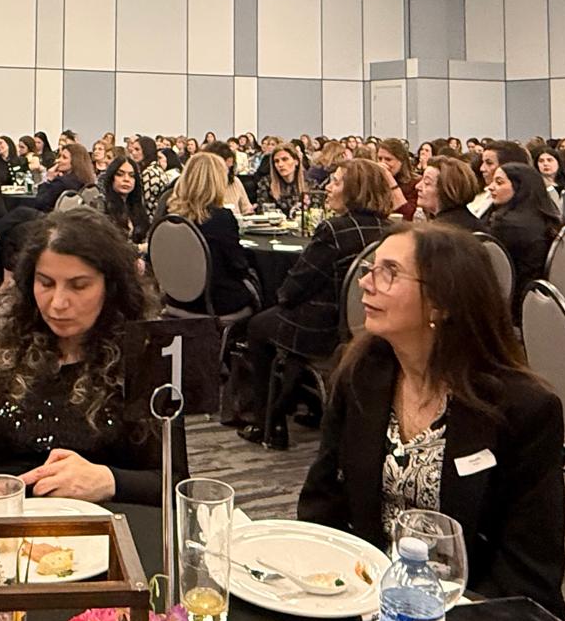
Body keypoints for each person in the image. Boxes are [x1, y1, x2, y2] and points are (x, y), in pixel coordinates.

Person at [297, 224, 565, 619]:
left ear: (442, 302)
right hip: (364, 601)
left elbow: (528, 573)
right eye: (371, 269)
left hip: (472, 614)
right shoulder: (362, 372)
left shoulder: (522, 409)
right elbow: (322, 502)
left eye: (389, 272)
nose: (365, 283)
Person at [0, 209, 185, 504]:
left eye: (79, 286)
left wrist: (111, 480)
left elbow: (175, 482)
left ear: (111, 287)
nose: (58, 303)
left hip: (107, 521)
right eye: (46, 283)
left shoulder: (145, 361)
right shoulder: (0, 352)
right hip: (6, 520)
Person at [239, 160, 395, 446]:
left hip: (323, 331)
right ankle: (305, 401)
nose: (328, 188)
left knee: (258, 326)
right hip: (370, 327)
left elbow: (295, 286)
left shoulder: (333, 230)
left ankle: (268, 423)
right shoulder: (392, 232)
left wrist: (281, 297)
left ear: (353, 190)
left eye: (335, 182)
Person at [157, 152, 257, 315]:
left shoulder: (169, 215)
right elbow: (238, 267)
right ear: (218, 181)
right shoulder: (221, 218)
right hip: (215, 304)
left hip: (175, 300)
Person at [486, 163, 560, 319]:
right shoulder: (546, 217)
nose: (490, 187)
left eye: (499, 182)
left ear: (520, 188)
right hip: (542, 297)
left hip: (515, 303)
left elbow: (494, 271)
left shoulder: (507, 225)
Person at [416, 156, 482, 231]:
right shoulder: (478, 226)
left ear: (448, 190)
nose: (417, 186)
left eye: (427, 183)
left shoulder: (436, 233)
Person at [32, 141, 98, 212]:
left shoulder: (62, 182)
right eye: (59, 156)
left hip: (56, 216)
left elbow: (39, 203)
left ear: (75, 162)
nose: (58, 160)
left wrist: (48, 179)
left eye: (64, 157)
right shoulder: (85, 180)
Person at [98, 154, 148, 245]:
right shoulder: (101, 203)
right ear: (111, 178)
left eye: (131, 175)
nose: (126, 179)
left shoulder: (136, 205)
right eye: (120, 174)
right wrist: (139, 249)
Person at [256, 143, 306, 218]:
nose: (280, 164)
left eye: (285, 159)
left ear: (296, 161)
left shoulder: (309, 184)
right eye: (276, 161)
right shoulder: (266, 183)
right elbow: (262, 212)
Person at [205, 141, 255, 214]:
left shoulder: (235, 182)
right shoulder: (202, 186)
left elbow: (246, 207)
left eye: (229, 168)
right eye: (224, 168)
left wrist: (250, 211)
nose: (227, 172)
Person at [376, 139, 419, 222]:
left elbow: (408, 214)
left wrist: (389, 179)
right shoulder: (375, 182)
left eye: (388, 159)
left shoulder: (415, 183)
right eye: (380, 159)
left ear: (401, 161)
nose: (383, 163)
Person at [128, 135, 166, 215]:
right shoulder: (156, 168)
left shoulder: (149, 172)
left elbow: (144, 203)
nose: (133, 153)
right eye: (132, 150)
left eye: (137, 149)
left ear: (147, 150)